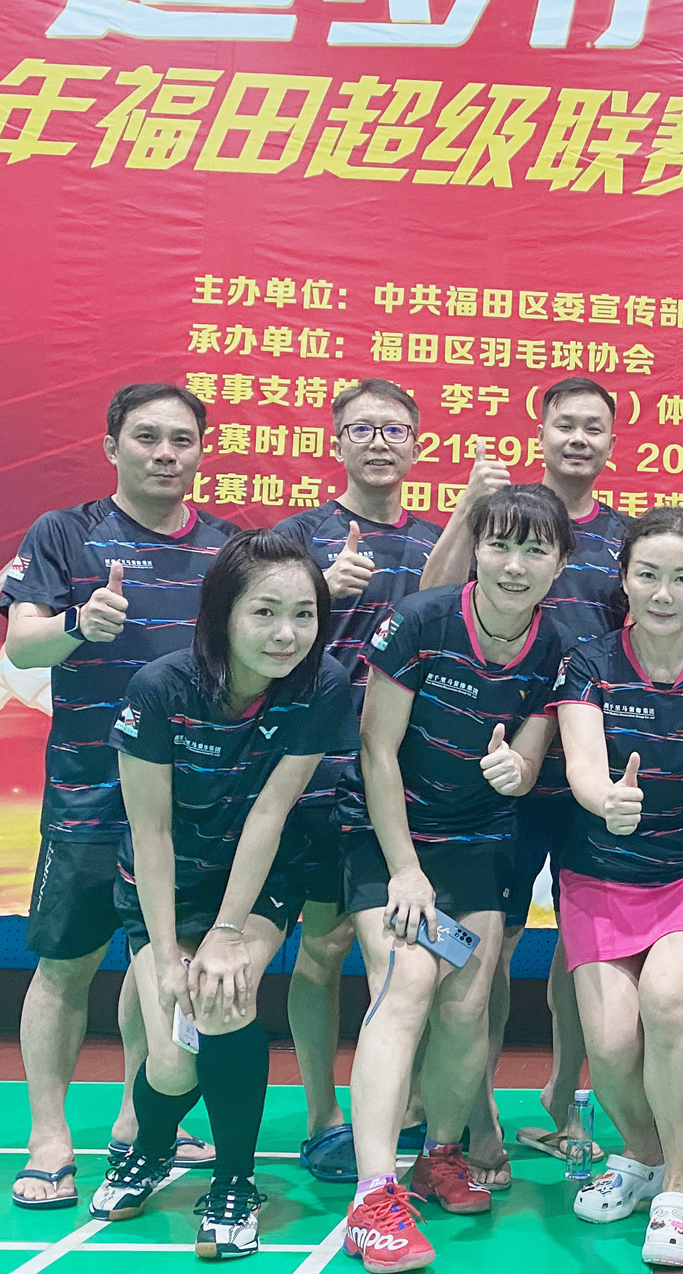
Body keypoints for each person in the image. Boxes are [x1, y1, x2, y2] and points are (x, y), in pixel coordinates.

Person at [1, 383, 236, 1208]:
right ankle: (48, 1137)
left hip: (187, 808)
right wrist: (78, 627)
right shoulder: (65, 534)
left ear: (201, 450)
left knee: (160, 969)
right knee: (65, 967)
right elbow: (22, 646)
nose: (165, 454)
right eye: (147, 437)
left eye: (182, 439)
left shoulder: (228, 550)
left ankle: (142, 1124)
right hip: (88, 798)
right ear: (112, 447)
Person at [91, 530, 352, 1260]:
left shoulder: (322, 684)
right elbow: (150, 831)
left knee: (226, 997)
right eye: (265, 612)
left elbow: (271, 812)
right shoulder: (161, 689)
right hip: (165, 883)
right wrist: (168, 952)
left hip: (259, 878)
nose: (286, 634)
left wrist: (230, 933)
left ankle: (234, 1184)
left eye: (303, 615)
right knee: (173, 1059)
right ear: (223, 614)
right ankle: (151, 1149)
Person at [340, 485, 571, 1274]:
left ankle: (439, 1154)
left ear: (559, 564)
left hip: (475, 839)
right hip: (387, 832)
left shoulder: (555, 649)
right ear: (476, 549)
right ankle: (373, 1197)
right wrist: (404, 868)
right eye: (500, 545)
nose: (515, 564)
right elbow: (375, 751)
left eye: (535, 550)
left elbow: (532, 754)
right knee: (407, 981)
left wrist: (517, 770)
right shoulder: (422, 622)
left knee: (469, 1000)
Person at [550, 508, 683, 1269]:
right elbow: (582, 762)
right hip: (597, 872)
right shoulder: (588, 662)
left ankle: (678, 1186)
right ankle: (641, 1153)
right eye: (648, 575)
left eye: (682, 578)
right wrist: (605, 798)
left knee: (669, 1001)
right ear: (625, 579)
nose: (663, 593)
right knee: (610, 1045)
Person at [424, 376, 628, 1174]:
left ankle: (562, 1096)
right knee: (491, 947)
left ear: (612, 443)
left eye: (593, 427)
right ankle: (474, 1118)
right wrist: (468, 508)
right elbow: (432, 601)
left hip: (584, 775)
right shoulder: (501, 515)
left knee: (582, 944)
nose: (578, 438)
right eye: (565, 424)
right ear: (539, 432)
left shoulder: (622, 538)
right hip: (493, 773)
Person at [272, 378, 443, 1184]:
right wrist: (314, 590)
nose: (379, 442)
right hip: (310, 773)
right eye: (363, 429)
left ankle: (404, 1109)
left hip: (401, 782)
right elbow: (251, 647)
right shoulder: (294, 540)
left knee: (400, 950)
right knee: (321, 948)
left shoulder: (440, 543)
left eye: (395, 429)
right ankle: (321, 1115)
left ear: (418, 445)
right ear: (335, 441)